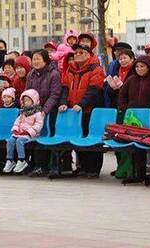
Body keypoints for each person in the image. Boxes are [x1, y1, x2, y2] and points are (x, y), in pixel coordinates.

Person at [59, 43, 105, 178]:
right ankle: (82, 167)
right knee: (79, 138)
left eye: (81, 52)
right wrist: (63, 103)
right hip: (75, 111)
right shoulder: (71, 69)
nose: (77, 55)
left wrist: (81, 104)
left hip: (90, 111)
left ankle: (93, 169)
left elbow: (94, 90)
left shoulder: (96, 69)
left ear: (88, 54)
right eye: (76, 53)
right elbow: (65, 89)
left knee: (91, 141)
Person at [25, 49, 62, 176]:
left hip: (51, 111)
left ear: (45, 60)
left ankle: (54, 166)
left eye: (38, 59)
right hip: (35, 111)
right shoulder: (31, 74)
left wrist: (44, 111)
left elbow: (55, 95)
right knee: (36, 136)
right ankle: (39, 166)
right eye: (34, 59)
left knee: (51, 135)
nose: (35, 61)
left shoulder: (54, 74)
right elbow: (27, 94)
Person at [3, 89, 45, 174]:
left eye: (28, 101)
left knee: (19, 141)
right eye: (25, 101)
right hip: (20, 133)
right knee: (10, 140)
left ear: (34, 101)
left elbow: (38, 125)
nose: (26, 103)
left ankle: (22, 160)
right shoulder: (23, 112)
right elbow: (17, 122)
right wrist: (15, 129)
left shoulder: (38, 113)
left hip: (31, 134)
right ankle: (10, 160)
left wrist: (28, 132)